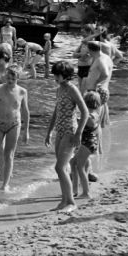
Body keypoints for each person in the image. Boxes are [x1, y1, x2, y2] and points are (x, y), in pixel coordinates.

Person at [44, 61, 88, 212]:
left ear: (66, 75)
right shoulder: (59, 89)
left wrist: (79, 134)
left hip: (70, 131)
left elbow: (85, 112)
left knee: (59, 167)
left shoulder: (72, 89)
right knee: (63, 168)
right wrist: (49, 131)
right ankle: (64, 201)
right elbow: (56, 112)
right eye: (54, 74)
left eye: (58, 74)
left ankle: (71, 202)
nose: (55, 76)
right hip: (59, 130)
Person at [71, 91, 101, 200]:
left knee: (79, 166)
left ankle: (86, 192)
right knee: (73, 162)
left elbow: (83, 123)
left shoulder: (89, 116)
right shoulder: (96, 114)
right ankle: (74, 190)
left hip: (87, 144)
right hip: (90, 143)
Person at [82, 41, 113, 132]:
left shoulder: (100, 60)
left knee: (93, 122)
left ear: (91, 50)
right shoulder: (106, 57)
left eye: (88, 50)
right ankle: (102, 139)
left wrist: (96, 83)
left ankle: (95, 139)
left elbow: (105, 74)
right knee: (99, 121)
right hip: (102, 90)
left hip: (97, 91)